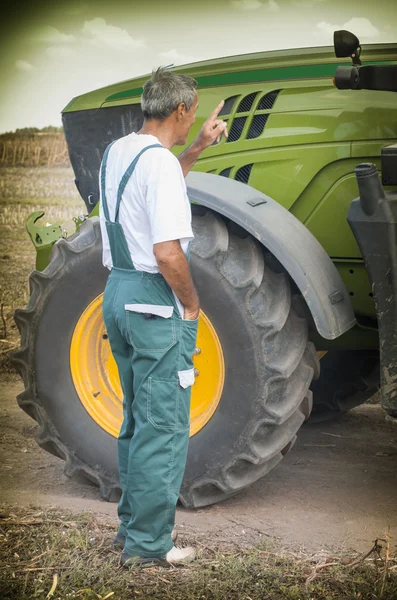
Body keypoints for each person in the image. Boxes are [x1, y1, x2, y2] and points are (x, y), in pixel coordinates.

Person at [99, 67, 228, 568]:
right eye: (192, 112)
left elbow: (155, 185)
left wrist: (194, 148)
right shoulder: (159, 166)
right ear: (181, 109)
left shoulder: (121, 151)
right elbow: (168, 252)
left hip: (117, 293)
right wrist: (192, 305)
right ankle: (150, 546)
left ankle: (131, 529)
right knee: (165, 427)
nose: (193, 116)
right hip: (155, 301)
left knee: (136, 420)